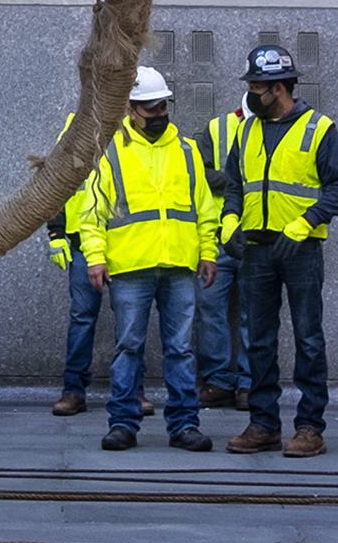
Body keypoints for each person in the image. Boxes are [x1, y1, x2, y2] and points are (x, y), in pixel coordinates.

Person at [70, 66, 227, 454]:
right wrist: (95, 257)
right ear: (129, 110)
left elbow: (204, 209)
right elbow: (92, 213)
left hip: (178, 266)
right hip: (130, 268)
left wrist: (208, 252)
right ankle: (123, 423)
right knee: (129, 347)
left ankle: (184, 425)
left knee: (180, 349)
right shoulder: (109, 153)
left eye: (162, 107)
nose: (158, 115)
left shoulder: (187, 151)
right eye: (149, 109)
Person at [214, 44, 338, 456]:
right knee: (259, 340)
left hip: (301, 250)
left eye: (257, 85)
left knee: (308, 338)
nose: (251, 92)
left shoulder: (319, 128)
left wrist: (304, 223)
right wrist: (230, 221)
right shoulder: (247, 129)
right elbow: (235, 185)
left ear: (279, 87)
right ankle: (264, 423)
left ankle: (310, 427)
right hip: (255, 250)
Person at [196, 90, 252, 409]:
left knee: (253, 314)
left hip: (257, 237)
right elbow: (199, 175)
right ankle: (218, 380)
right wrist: (238, 179)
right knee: (209, 309)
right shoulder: (217, 128)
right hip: (218, 238)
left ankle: (248, 384)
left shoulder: (278, 130)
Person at [44, 111, 101, 416]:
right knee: (82, 318)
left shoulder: (133, 125)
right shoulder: (73, 129)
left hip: (125, 237)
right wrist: (56, 232)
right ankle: (73, 390)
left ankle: (133, 390)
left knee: (132, 321)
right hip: (82, 241)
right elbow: (56, 184)